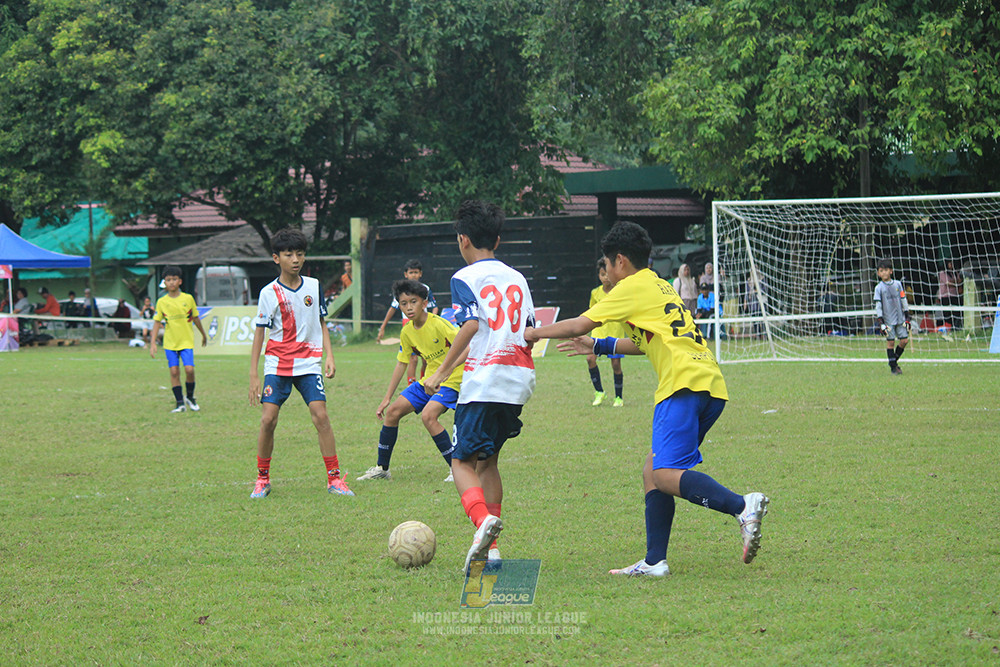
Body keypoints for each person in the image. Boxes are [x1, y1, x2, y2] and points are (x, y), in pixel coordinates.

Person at [524, 220, 769, 577]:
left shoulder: (630, 286)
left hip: (681, 385)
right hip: (709, 384)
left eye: (606, 267)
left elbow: (579, 323)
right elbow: (645, 341)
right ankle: (655, 561)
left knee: (665, 473)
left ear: (620, 261)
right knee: (652, 471)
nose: (604, 276)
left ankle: (741, 506)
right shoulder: (658, 285)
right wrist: (600, 346)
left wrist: (532, 333)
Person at [422, 200, 536, 570]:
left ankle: (482, 521)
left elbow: (470, 326)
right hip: (517, 379)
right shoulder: (517, 277)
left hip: (484, 379)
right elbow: (528, 331)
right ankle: (493, 549)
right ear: (498, 240)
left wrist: (440, 372)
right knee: (489, 462)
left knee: (461, 461)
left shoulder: (464, 278)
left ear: (463, 239)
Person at [248, 227, 353, 499]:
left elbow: (321, 321)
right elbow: (260, 331)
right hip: (277, 363)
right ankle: (262, 479)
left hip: (308, 362)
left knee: (321, 416)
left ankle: (334, 479)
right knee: (268, 420)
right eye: (288, 254)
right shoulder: (268, 292)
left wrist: (329, 355)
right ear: (276, 258)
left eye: (300, 254)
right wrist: (254, 375)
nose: (295, 259)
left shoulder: (314, 286)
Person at [357, 279, 464, 483]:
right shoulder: (406, 332)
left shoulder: (439, 323)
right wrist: (387, 398)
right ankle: (382, 469)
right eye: (403, 303)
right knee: (393, 412)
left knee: (428, 416)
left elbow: (467, 346)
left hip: (453, 379)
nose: (408, 307)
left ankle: (456, 468)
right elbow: (401, 364)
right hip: (428, 381)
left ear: (424, 303)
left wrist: (445, 372)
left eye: (413, 302)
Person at [150, 265, 207, 413]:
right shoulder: (162, 302)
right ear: (165, 282)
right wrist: (152, 343)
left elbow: (195, 317)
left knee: (189, 370)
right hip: (170, 343)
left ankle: (190, 397)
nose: (171, 282)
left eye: (174, 279)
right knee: (174, 372)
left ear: (180, 281)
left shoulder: (188, 299)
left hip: (186, 341)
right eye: (168, 280)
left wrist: (203, 334)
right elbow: (157, 323)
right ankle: (180, 403)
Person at [376, 259, 438, 383]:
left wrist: (433, 320)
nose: (413, 275)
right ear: (406, 274)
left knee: (426, 358)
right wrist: (383, 327)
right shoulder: (401, 291)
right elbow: (392, 308)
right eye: (411, 272)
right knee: (412, 359)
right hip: (409, 325)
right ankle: (411, 385)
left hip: (424, 325)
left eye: (416, 272)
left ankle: (424, 382)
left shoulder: (425, 289)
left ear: (420, 274)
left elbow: (434, 306)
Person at [585, 258, 625, 407]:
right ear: (599, 276)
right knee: (590, 359)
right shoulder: (595, 293)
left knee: (615, 364)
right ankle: (599, 392)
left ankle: (618, 397)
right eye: (602, 274)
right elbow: (592, 312)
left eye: (607, 274)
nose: (605, 277)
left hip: (614, 331)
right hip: (598, 331)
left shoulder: (618, 291)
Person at [874, 258, 911, 375]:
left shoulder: (898, 284)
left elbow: (903, 299)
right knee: (890, 343)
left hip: (900, 319)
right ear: (878, 273)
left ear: (891, 271)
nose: (884, 272)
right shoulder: (878, 288)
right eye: (881, 271)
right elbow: (878, 306)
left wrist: (907, 315)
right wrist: (881, 321)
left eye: (886, 270)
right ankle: (894, 368)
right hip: (888, 320)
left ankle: (893, 362)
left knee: (904, 341)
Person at [937, 260, 962, 329]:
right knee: (947, 313)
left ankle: (955, 327)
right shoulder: (942, 273)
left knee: (956, 312)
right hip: (945, 296)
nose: (951, 265)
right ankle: (948, 327)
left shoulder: (955, 273)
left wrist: (954, 282)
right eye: (950, 263)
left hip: (954, 295)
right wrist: (955, 283)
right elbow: (948, 283)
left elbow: (959, 281)